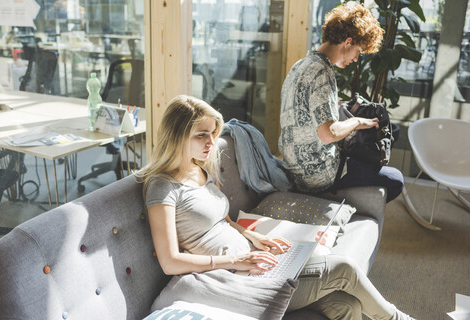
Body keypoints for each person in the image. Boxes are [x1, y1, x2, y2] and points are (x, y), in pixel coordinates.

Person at [138, 95, 415, 320]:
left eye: (213, 133)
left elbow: (221, 220)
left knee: (347, 307)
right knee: (343, 267)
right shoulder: (163, 187)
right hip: (231, 279)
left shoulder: (200, 169)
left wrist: (255, 237)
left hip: (254, 261)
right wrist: (236, 261)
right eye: (202, 135)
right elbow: (170, 261)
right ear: (177, 136)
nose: (212, 142)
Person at [278, 3, 404, 202]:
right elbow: (329, 134)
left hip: (293, 168)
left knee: (359, 155)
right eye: (358, 51)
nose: (356, 59)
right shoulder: (322, 72)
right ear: (348, 41)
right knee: (395, 179)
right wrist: (358, 122)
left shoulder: (301, 65)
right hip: (316, 175)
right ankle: (336, 204)